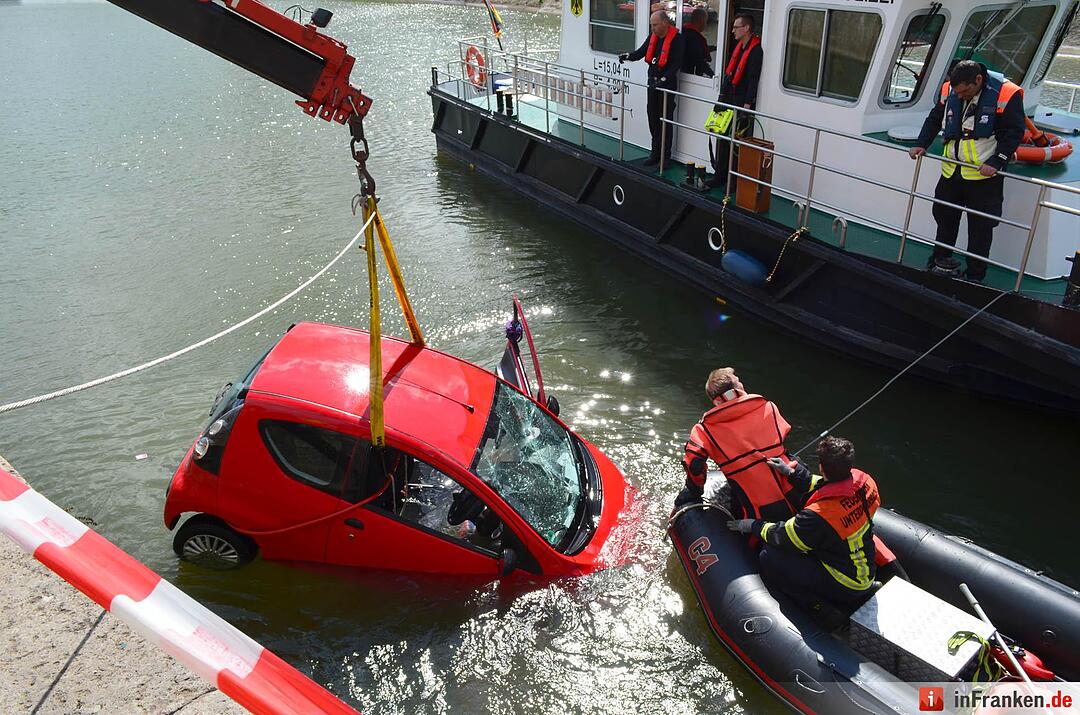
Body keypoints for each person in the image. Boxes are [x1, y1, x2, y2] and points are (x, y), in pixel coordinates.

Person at [727, 436, 881, 614]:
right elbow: (824, 486)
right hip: (865, 570)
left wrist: (753, 525)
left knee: (769, 556)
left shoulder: (820, 515)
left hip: (844, 582)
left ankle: (820, 609)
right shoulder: (866, 483)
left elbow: (784, 536)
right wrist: (793, 473)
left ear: (822, 467)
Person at [909, 60, 1024, 283]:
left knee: (980, 229)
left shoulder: (1007, 94)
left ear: (978, 81)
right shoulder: (950, 89)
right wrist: (921, 142)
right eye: (957, 92)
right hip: (951, 171)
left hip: (983, 176)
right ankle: (940, 261)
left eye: (965, 91)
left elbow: (1014, 132)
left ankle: (975, 277)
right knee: (944, 217)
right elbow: (935, 118)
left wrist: (997, 162)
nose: (960, 96)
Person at [679, 367, 803, 521]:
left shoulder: (704, 430)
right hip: (798, 492)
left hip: (761, 509)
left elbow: (694, 464)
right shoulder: (769, 407)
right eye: (739, 381)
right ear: (738, 389)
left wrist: (694, 491)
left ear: (716, 400)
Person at [619, 11, 685, 166]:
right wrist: (627, 56)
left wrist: (663, 80)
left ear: (664, 23)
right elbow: (641, 52)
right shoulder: (653, 37)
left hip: (666, 86)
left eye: (655, 24)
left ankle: (665, 156)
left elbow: (676, 64)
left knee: (664, 120)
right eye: (651, 25)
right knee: (653, 118)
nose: (652, 28)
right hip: (652, 84)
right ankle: (655, 153)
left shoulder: (678, 40)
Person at [709, 12, 763, 188]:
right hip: (729, 97)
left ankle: (732, 181)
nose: (732, 31)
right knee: (722, 137)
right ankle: (719, 175)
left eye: (736, 27)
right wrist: (721, 99)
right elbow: (729, 75)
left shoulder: (755, 51)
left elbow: (753, 79)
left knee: (736, 142)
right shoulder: (739, 48)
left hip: (741, 101)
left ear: (746, 28)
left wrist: (747, 106)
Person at [681, 7, 714, 78]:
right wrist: (712, 75)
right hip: (686, 75)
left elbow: (696, 49)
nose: (705, 25)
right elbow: (698, 59)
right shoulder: (693, 36)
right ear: (701, 21)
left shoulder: (684, 32)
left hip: (681, 72)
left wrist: (715, 48)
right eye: (706, 21)